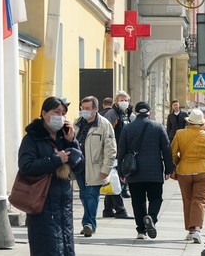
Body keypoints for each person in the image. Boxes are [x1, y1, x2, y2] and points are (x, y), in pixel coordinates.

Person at [17, 96, 83, 256]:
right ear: (44, 113)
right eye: (55, 112)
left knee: (51, 251)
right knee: (49, 252)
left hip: (62, 203)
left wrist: (72, 142)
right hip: (41, 202)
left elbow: (78, 163)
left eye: (62, 112)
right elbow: (26, 167)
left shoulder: (65, 136)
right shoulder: (32, 138)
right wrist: (55, 160)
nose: (59, 116)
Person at [118, 101, 175, 240]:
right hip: (154, 171)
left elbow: (121, 151)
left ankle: (141, 231)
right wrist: (169, 168)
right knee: (156, 198)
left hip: (134, 171)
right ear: (149, 112)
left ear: (136, 113)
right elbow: (166, 149)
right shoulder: (158, 127)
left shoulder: (128, 128)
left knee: (138, 201)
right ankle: (152, 217)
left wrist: (121, 172)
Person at [73, 96, 116, 237]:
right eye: (82, 108)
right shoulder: (77, 123)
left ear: (95, 109)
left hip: (95, 168)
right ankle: (89, 223)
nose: (83, 111)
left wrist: (106, 169)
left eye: (87, 108)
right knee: (84, 195)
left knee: (92, 195)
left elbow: (110, 149)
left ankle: (88, 224)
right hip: (79, 166)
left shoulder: (104, 125)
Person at [171, 109, 205, 244]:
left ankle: (190, 230)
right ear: (202, 123)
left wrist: (179, 163)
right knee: (200, 200)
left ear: (189, 121)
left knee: (187, 200)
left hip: (184, 171)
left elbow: (172, 153)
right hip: (202, 171)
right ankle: (197, 229)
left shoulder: (180, 133)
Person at [103, 91, 134, 213]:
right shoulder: (112, 114)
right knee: (117, 180)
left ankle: (108, 209)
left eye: (126, 100)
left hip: (122, 151)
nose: (124, 102)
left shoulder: (126, 114)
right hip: (114, 151)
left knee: (114, 179)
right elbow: (107, 132)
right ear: (116, 101)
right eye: (121, 100)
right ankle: (120, 210)